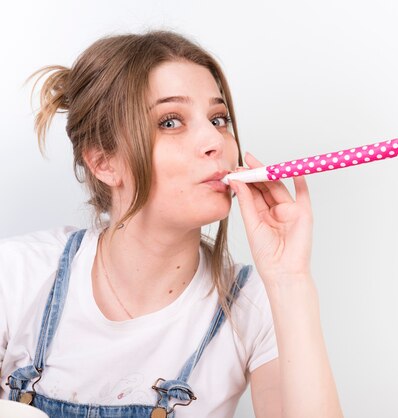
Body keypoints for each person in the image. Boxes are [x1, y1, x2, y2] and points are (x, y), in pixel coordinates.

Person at [0, 30, 343, 418]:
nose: (214, 140)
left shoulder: (251, 306)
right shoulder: (17, 277)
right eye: (170, 122)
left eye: (219, 118)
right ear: (103, 162)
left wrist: (289, 279)